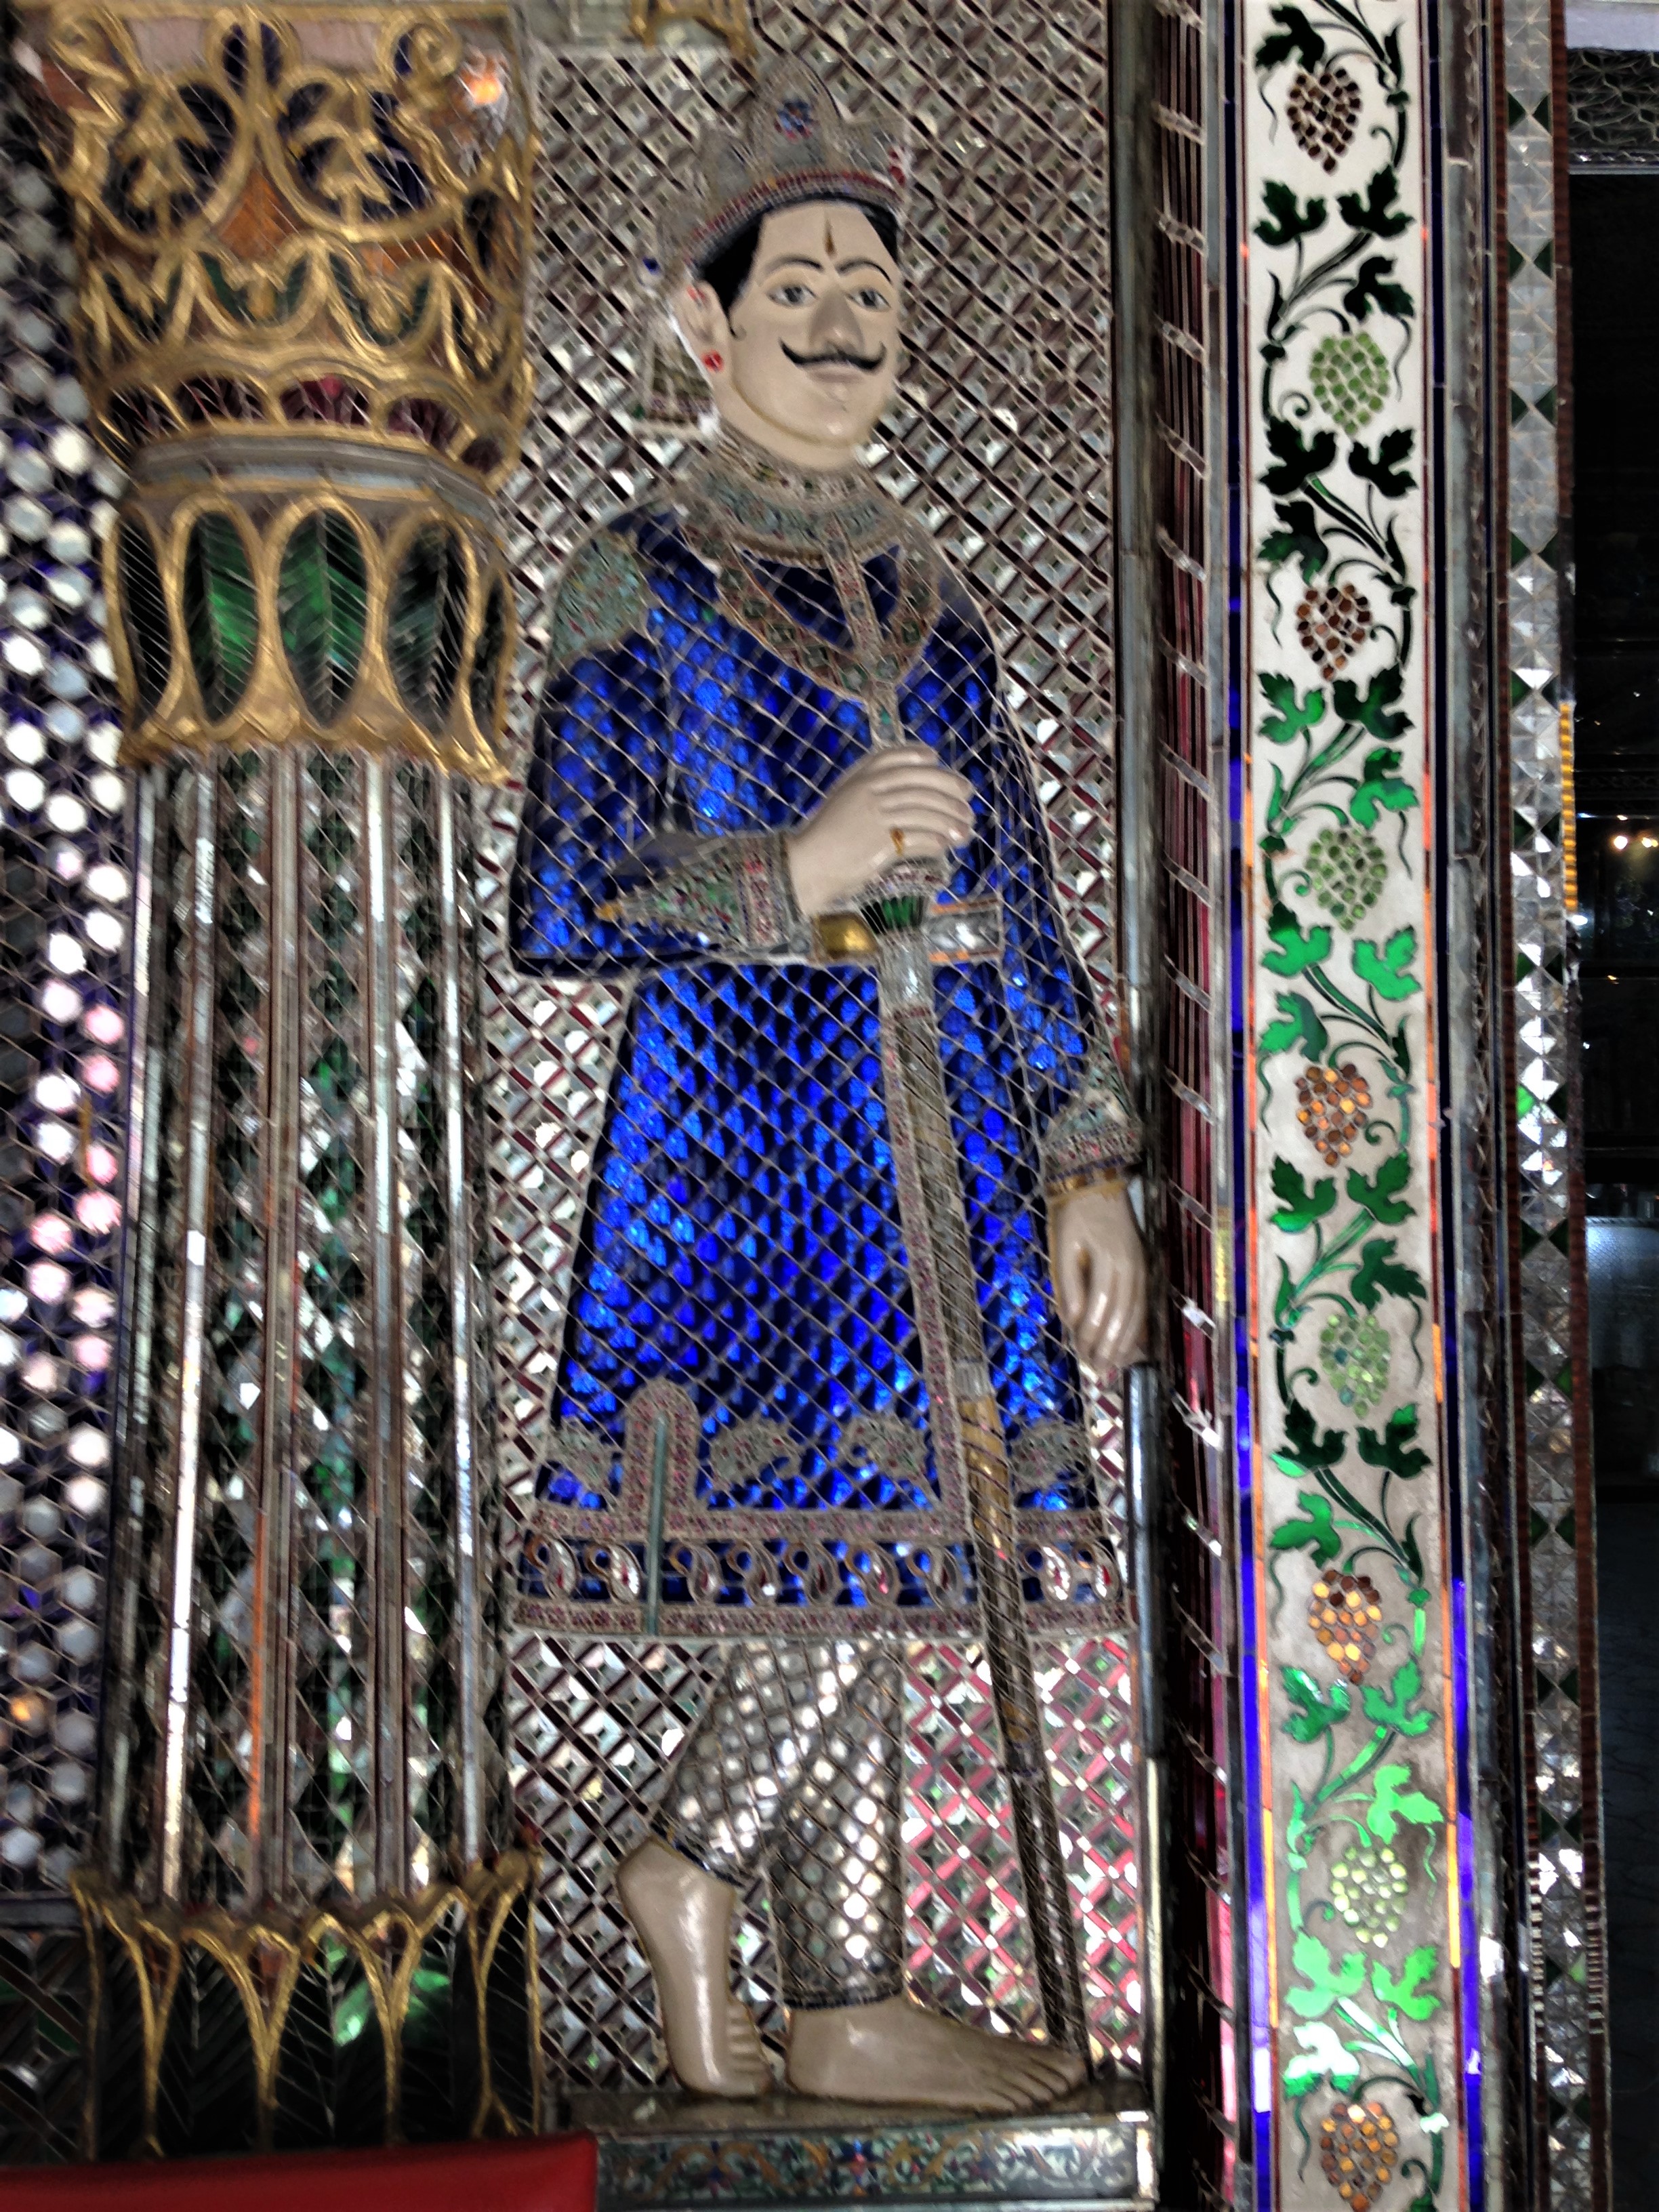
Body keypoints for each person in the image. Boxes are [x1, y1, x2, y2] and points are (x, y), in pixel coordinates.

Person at [510, 64, 1146, 2113]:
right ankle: (700, 1879)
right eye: (804, 277)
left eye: (876, 280)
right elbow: (564, 892)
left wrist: (1087, 1160)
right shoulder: (644, 576)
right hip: (749, 1135)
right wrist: (791, 869)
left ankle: (838, 1983)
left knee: (883, 1557)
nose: (849, 313)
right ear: (705, 325)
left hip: (938, 1123)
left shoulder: (941, 605)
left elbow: (1027, 907)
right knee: (846, 1543)